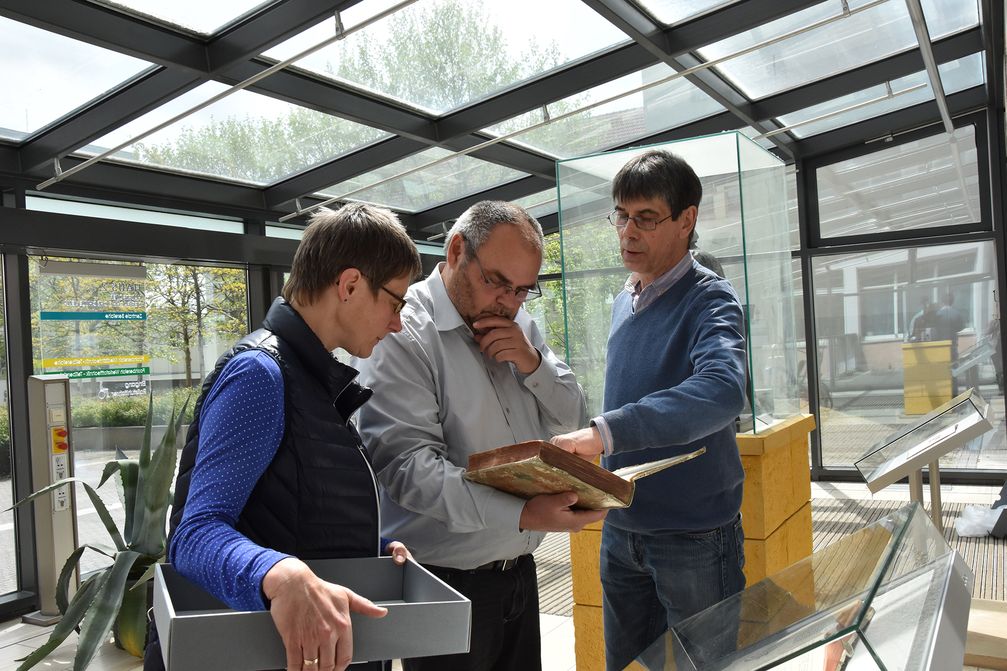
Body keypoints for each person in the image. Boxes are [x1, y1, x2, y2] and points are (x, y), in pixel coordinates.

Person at [144, 203, 422, 671]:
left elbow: (287, 507)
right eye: (396, 302)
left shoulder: (310, 377)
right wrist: (278, 573)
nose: (397, 322)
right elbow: (194, 535)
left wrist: (367, 549)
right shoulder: (260, 374)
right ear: (350, 284)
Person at [353, 200, 605, 671]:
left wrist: (534, 364)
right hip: (444, 583)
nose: (508, 302)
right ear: (455, 251)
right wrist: (523, 513)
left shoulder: (518, 323)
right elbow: (408, 471)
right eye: (496, 282)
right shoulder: (402, 332)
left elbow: (574, 415)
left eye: (523, 290)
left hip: (519, 575)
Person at [551, 150, 749, 670]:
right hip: (621, 526)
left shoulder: (711, 300)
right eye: (621, 215)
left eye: (646, 218)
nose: (627, 232)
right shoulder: (624, 299)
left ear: (688, 220)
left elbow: (723, 389)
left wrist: (604, 433)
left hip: (695, 536)